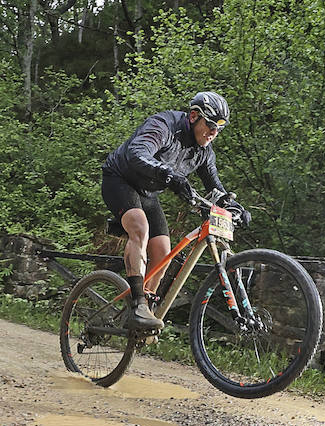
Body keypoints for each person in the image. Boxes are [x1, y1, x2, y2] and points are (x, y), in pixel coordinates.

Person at [100, 91, 250, 330]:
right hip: (120, 180)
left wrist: (233, 207)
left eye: (219, 129)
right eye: (210, 125)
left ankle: (144, 312)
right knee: (140, 229)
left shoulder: (203, 151)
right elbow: (137, 153)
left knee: (163, 252)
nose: (213, 133)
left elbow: (215, 188)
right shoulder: (164, 125)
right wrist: (168, 174)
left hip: (148, 193)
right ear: (193, 116)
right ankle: (138, 304)